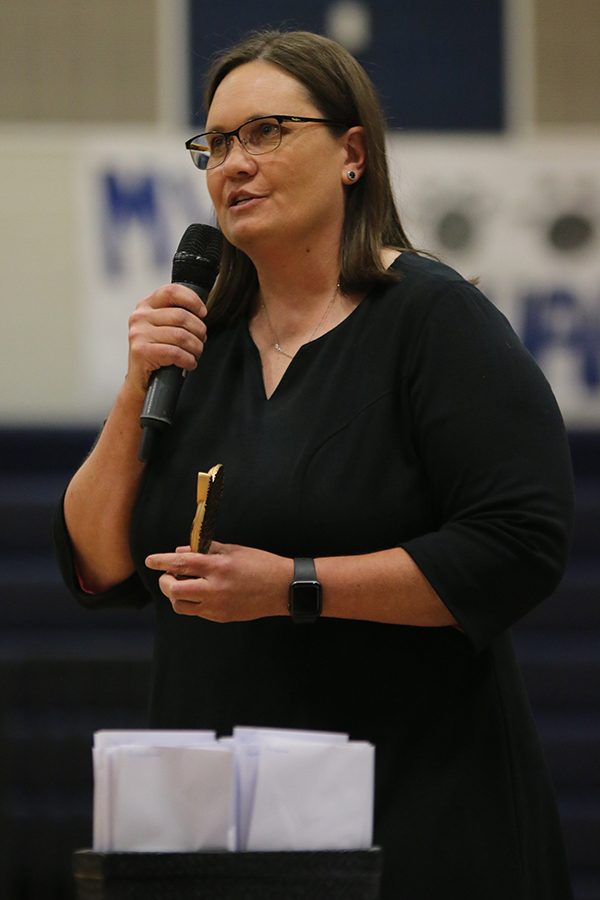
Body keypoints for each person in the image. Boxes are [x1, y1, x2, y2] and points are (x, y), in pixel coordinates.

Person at [54, 29, 575, 900]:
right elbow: (101, 565)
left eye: (266, 133)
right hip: (211, 831)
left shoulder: (436, 322)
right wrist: (133, 388)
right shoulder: (199, 345)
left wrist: (294, 584)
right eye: (216, 145)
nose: (233, 165)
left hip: (412, 812)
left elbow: (519, 545)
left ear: (352, 154)